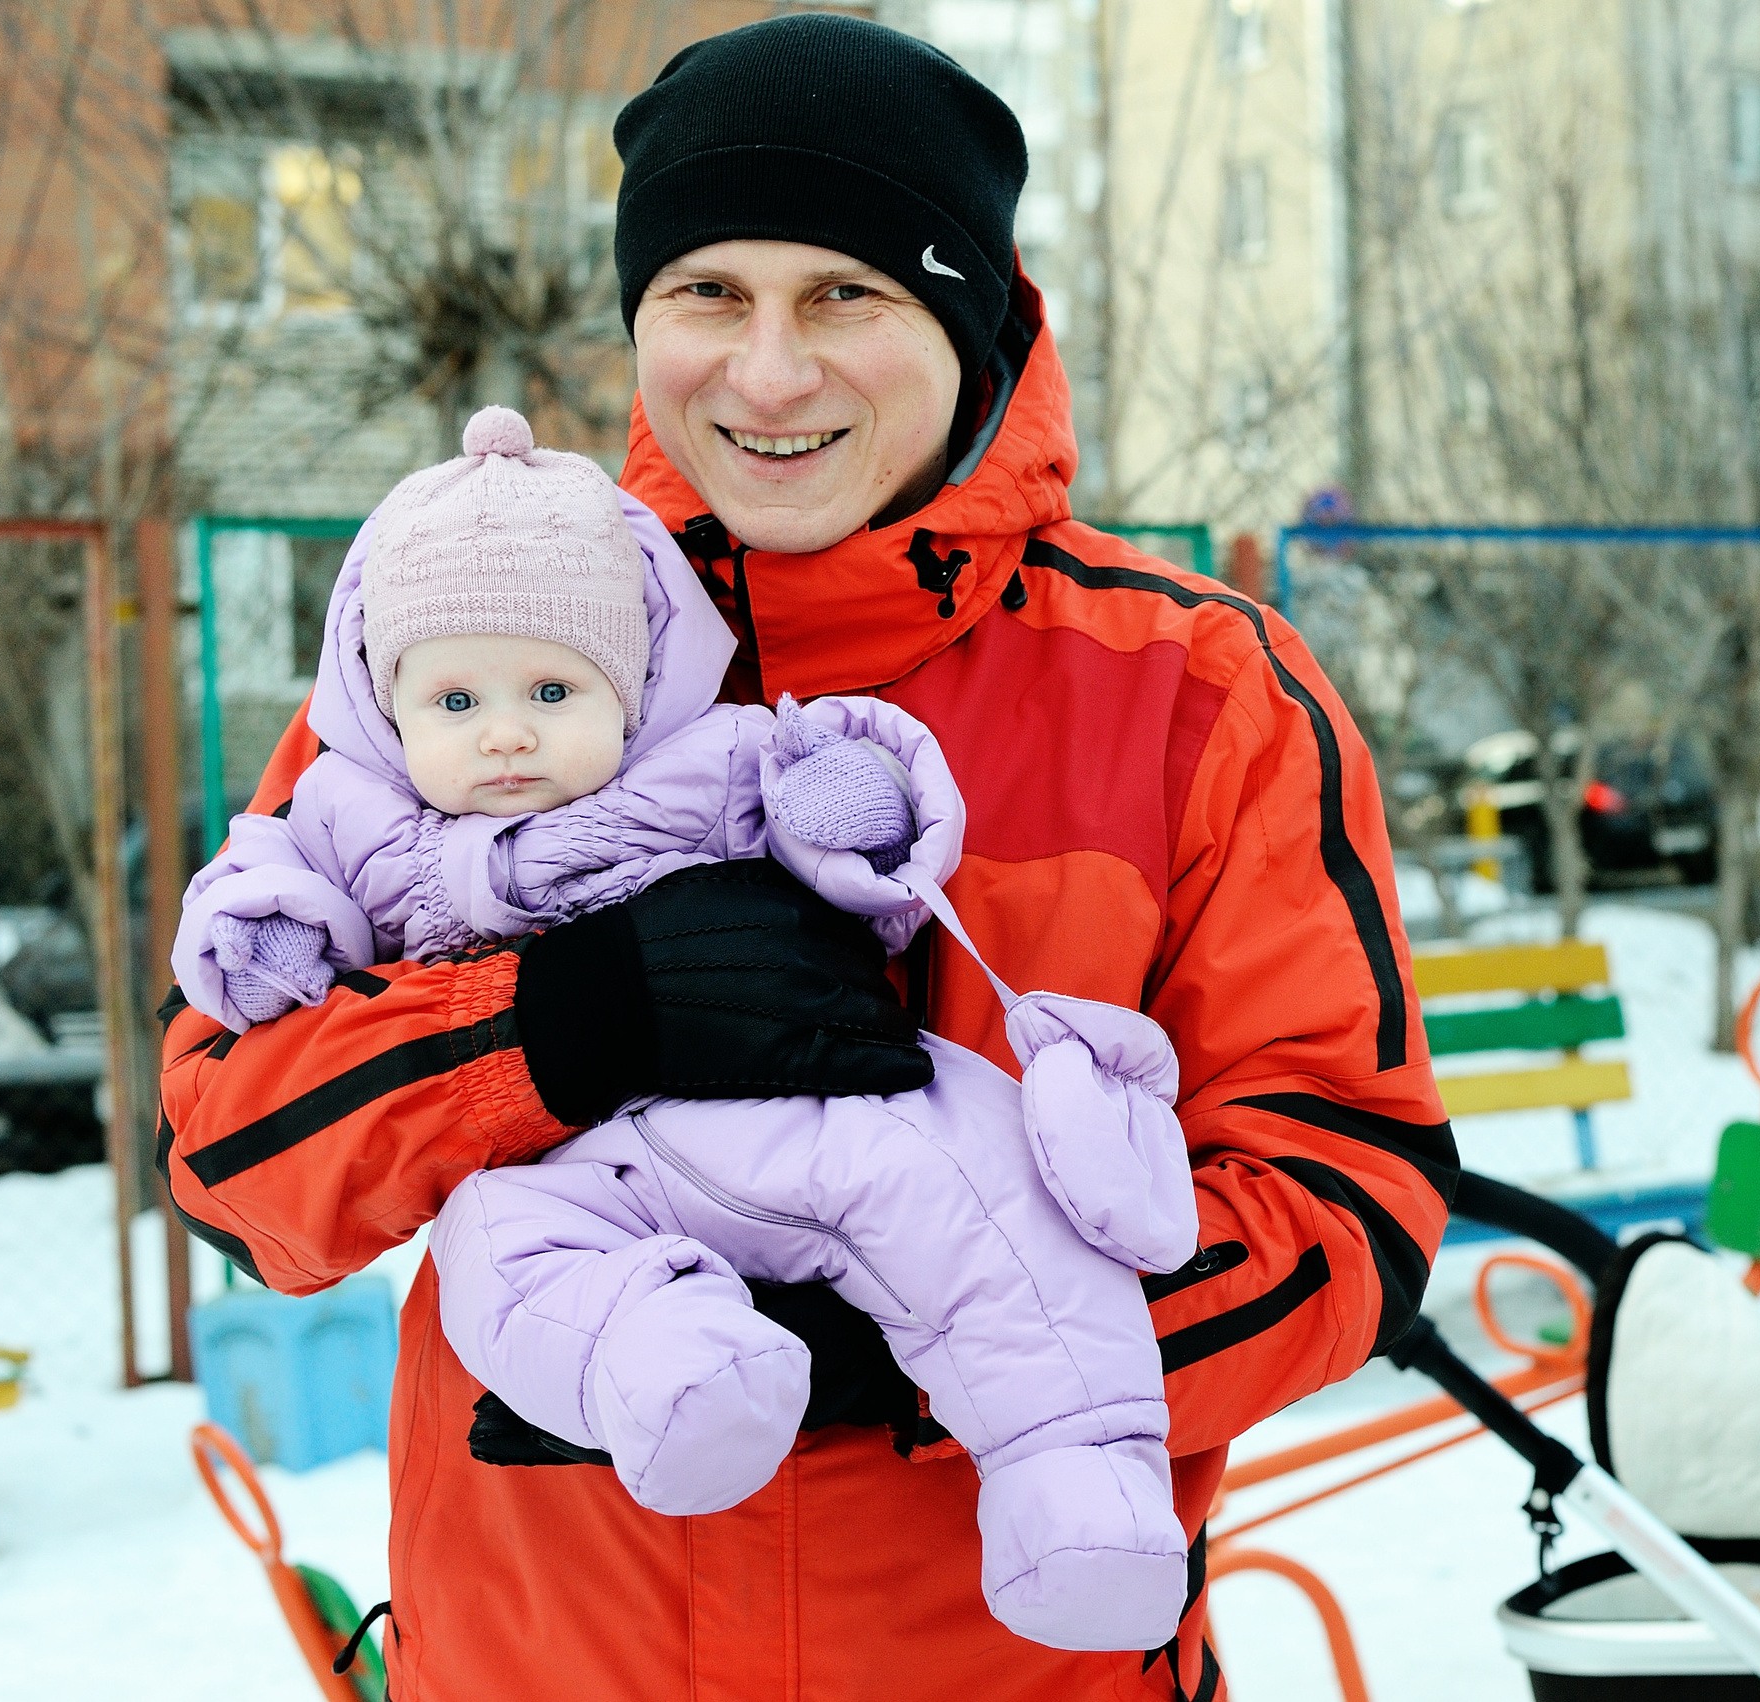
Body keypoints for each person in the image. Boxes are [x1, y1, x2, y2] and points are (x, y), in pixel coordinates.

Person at [159, 14, 1454, 1699]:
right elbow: (232, 1169)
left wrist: (916, 1350)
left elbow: (1350, 1202)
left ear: (971, 319)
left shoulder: (1196, 696)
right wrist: (546, 1033)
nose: (767, 373)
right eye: (709, 294)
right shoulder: (460, 663)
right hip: (540, 1659)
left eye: (846, 294)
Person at [168, 404, 1196, 1651]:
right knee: (500, 1261)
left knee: (980, 1204)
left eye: (554, 688)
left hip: (813, 1116)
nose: (504, 730)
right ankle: (676, 1376)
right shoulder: (352, 807)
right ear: (386, 707)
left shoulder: (711, 758)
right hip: (579, 1175)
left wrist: (855, 827)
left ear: (637, 684)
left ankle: (1075, 1490)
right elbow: (264, 936)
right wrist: (268, 942)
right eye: (454, 698)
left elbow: (855, 852)